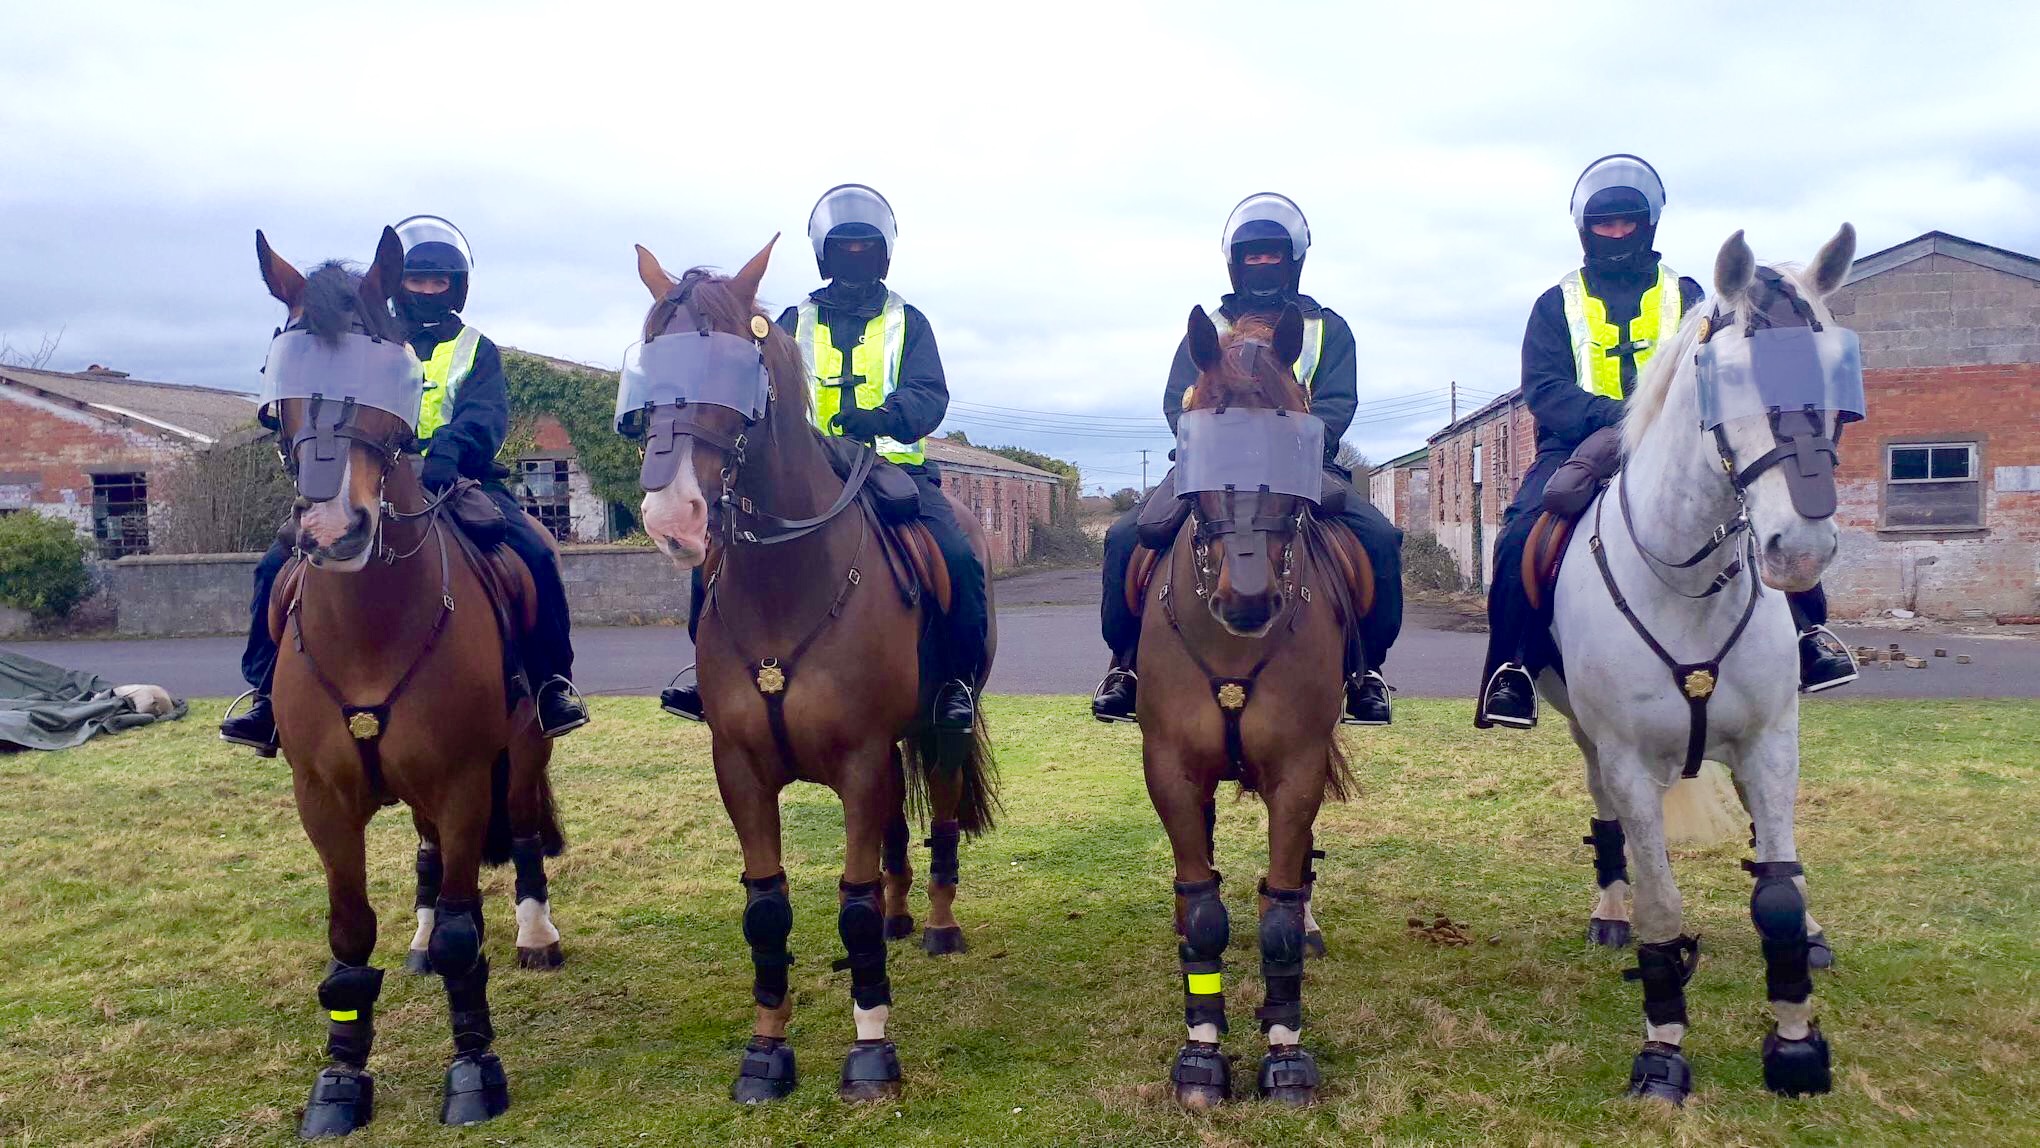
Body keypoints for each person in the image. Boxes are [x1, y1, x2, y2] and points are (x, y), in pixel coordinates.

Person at [1477, 155, 1858, 729]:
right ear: (1586, 230)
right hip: (1580, 441)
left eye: (1627, 222)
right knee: (1524, 532)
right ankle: (1513, 668)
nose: (1616, 233)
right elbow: (1545, 389)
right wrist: (1624, 416)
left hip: (1681, 441)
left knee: (1764, 501)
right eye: (1605, 224)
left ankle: (1809, 632)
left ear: (1648, 224)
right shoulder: (1555, 304)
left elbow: (1719, 368)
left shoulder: (1687, 294)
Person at [220, 214, 590, 752]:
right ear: (399, 285)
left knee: (532, 551)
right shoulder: (364, 339)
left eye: (438, 282)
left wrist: (451, 450)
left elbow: (486, 414)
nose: (426, 290)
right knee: (275, 566)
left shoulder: (476, 348)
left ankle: (552, 684)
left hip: (459, 476)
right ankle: (263, 696)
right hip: (371, 474)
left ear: (455, 288)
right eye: (417, 281)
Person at [660, 184, 987, 732]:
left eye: (864, 249)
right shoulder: (792, 320)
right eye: (842, 249)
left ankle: (956, 680)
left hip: (891, 468)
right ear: (825, 255)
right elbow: (752, 389)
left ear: (882, 255)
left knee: (955, 551)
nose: (853, 259)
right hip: (807, 467)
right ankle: (706, 672)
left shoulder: (911, 321)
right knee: (717, 549)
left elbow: (931, 394)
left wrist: (884, 416)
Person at [1091, 192, 1404, 726]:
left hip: (1300, 466)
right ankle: (1125, 667)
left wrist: (1293, 445)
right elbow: (1178, 401)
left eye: (1272, 255)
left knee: (1377, 538)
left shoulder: (1328, 328)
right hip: (1211, 468)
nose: (1263, 265)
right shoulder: (1206, 325)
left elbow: (1336, 402)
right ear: (1235, 264)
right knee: (1127, 536)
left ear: (1294, 260)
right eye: (1252, 256)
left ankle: (1364, 670)